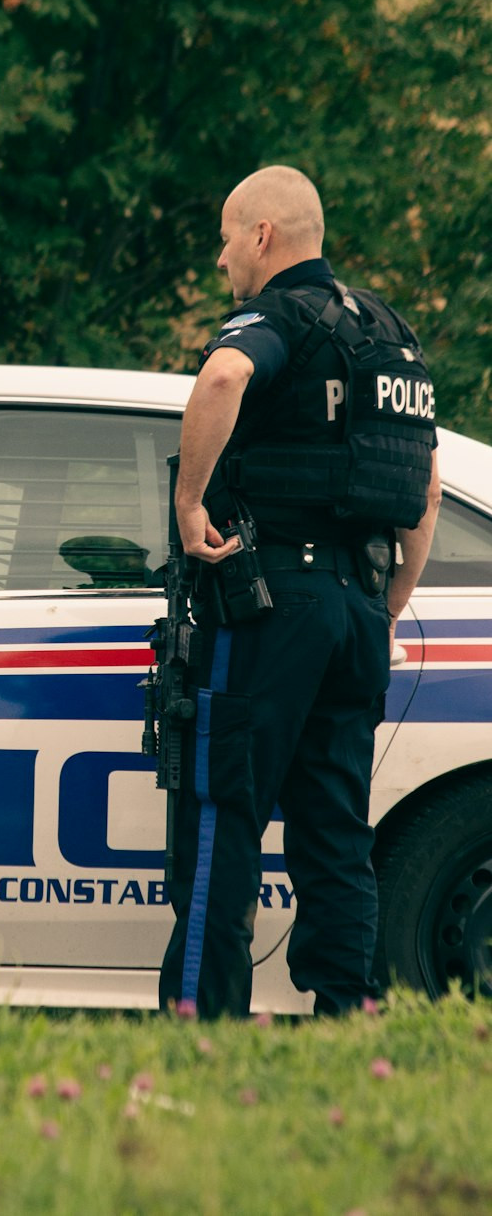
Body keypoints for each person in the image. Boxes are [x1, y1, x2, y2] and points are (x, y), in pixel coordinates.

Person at [158, 165, 441, 1018]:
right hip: (358, 606)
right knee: (334, 827)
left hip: (271, 602)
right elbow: (423, 490)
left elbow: (221, 380)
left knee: (222, 809)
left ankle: (202, 1019)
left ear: (263, 237)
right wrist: (385, 603)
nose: (219, 260)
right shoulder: (391, 337)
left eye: (224, 239)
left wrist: (187, 502)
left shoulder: (277, 317)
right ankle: (346, 1012)